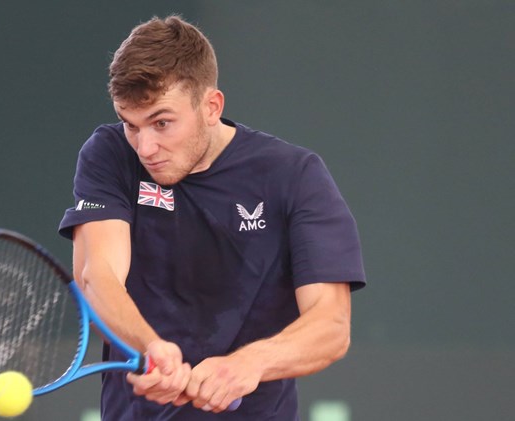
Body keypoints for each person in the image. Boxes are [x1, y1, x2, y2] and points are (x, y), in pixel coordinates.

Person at [58, 15, 365, 420]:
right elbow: (96, 277)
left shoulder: (294, 175)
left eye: (162, 123)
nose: (145, 146)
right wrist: (151, 347)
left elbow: (330, 327)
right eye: (130, 125)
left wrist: (248, 364)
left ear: (211, 106)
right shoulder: (109, 155)